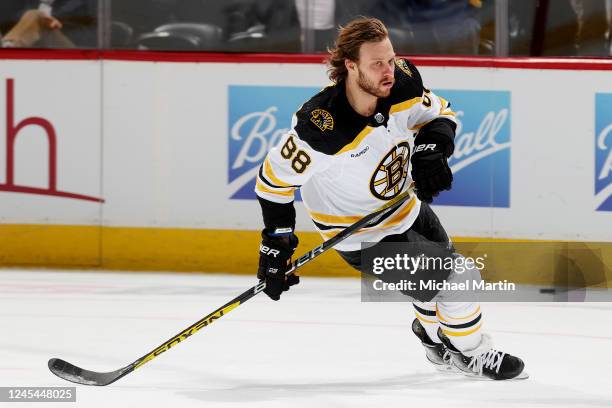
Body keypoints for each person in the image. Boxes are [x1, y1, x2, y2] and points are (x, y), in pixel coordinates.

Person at [254, 17, 527, 380]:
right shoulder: (323, 127)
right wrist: (276, 243)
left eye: (390, 58)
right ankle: (473, 353)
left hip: (405, 208)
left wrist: (432, 149)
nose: (389, 71)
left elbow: (440, 112)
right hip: (361, 235)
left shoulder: (403, 82)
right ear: (350, 66)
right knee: (459, 278)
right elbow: (272, 182)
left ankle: (434, 342)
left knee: (439, 284)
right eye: (377, 64)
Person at [1, 0, 97, 49]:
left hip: (73, 51)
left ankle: (9, 47)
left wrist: (61, 23)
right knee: (35, 15)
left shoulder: (79, 1)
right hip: (36, 47)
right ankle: (9, 44)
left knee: (36, 15)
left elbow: (93, 27)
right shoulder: (34, 2)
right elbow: (18, 20)